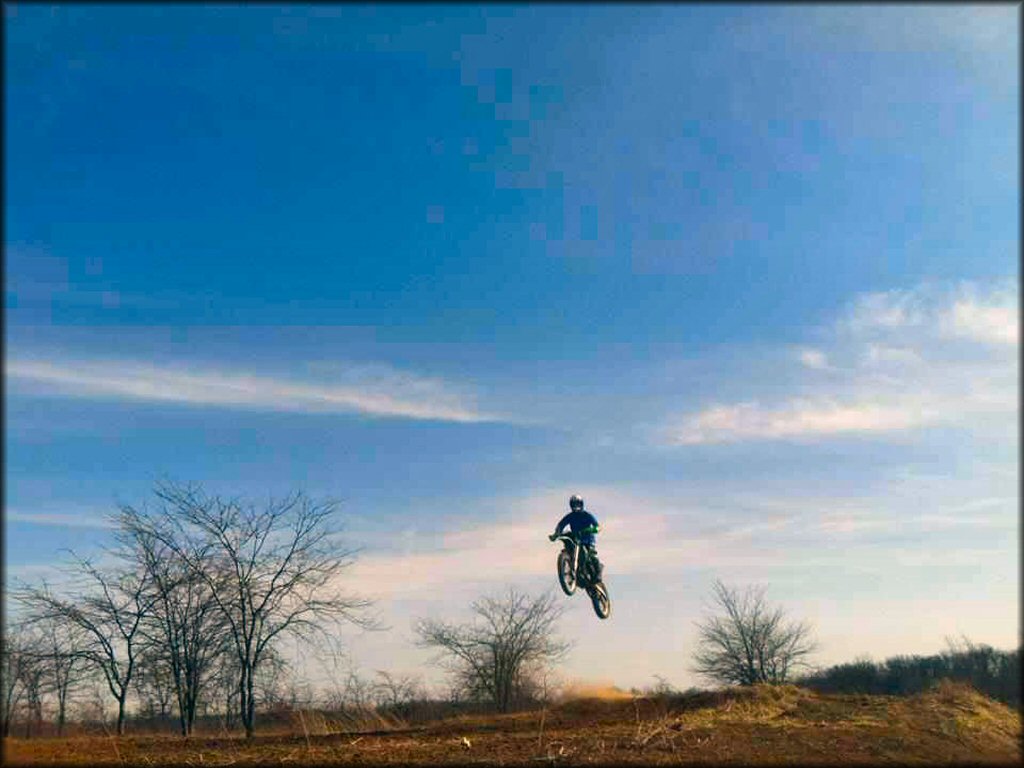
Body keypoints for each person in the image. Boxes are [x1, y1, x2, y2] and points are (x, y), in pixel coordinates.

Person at [549, 494, 604, 583]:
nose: (576, 506)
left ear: (582, 504)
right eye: (574, 504)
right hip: (576, 539)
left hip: (588, 540)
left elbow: (598, 527)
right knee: (569, 547)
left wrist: (592, 529)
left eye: (578, 504)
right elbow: (561, 524)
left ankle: (598, 572)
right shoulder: (570, 516)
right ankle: (574, 570)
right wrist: (556, 534)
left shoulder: (587, 515)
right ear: (571, 506)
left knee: (589, 554)